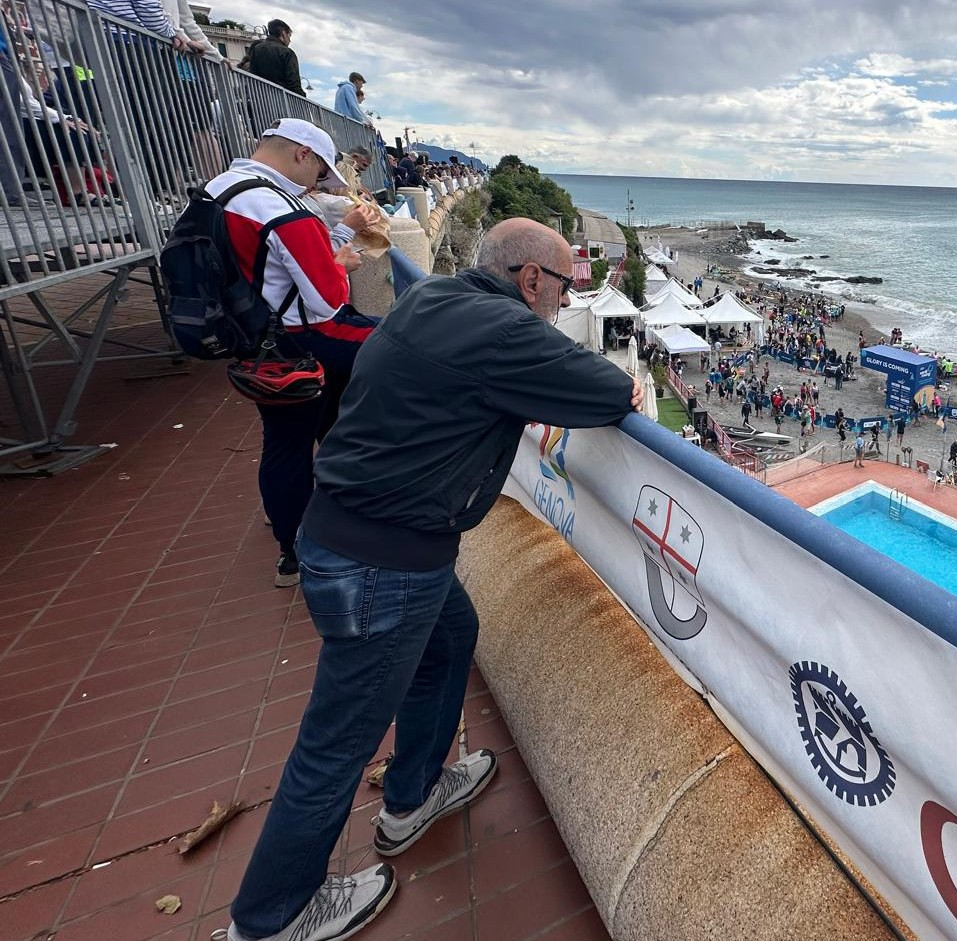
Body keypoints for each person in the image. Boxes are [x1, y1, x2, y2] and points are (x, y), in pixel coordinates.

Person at [210, 218, 641, 941]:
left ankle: (410, 796)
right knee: (336, 742)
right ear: (531, 279)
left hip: (349, 531)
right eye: (565, 287)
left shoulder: (430, 298)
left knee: (451, 637)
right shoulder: (507, 333)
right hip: (383, 564)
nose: (566, 303)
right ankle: (270, 917)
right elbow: (606, 391)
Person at [204, 119, 383, 587]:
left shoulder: (217, 190)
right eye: (321, 173)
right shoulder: (283, 209)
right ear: (303, 154)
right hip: (302, 339)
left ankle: (291, 546)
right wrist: (341, 261)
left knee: (285, 443)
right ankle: (325, 540)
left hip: (255, 340)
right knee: (397, 347)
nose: (317, 185)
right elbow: (327, 302)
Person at [246, 19, 304, 96]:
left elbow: (253, 75)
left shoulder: (256, 49)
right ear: (283, 33)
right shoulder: (287, 52)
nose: (290, 40)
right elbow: (293, 83)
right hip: (283, 99)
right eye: (289, 36)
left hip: (261, 100)